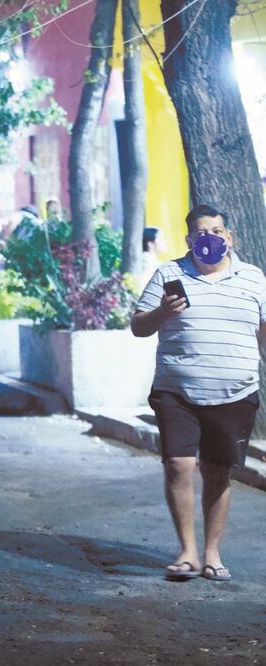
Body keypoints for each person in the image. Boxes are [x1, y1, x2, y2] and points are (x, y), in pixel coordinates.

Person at [131, 203, 265, 583]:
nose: (211, 238)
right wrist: (161, 314)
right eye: (202, 233)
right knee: (179, 464)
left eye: (218, 231)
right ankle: (188, 551)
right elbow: (138, 326)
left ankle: (212, 552)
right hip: (177, 391)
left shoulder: (254, 278)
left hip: (236, 393)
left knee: (218, 472)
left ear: (229, 236)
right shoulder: (168, 274)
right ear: (190, 240)